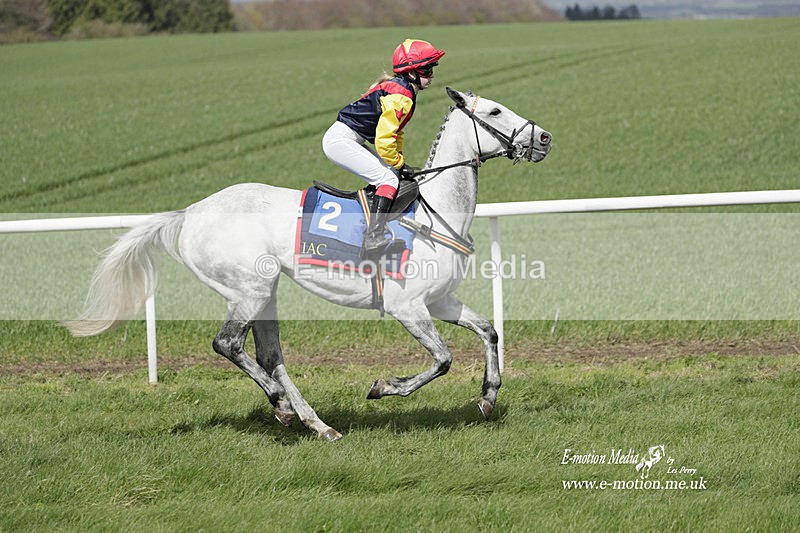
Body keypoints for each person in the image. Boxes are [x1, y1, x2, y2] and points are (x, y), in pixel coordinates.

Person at [322, 38, 445, 258]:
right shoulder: (402, 96)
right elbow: (384, 139)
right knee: (388, 179)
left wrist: (399, 162)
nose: (431, 75)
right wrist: (399, 163)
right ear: (411, 73)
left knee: (391, 175)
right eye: (426, 70)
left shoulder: (403, 91)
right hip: (341, 141)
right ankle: (373, 239)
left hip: (349, 138)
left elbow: (396, 134)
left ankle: (373, 224)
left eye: (431, 69)